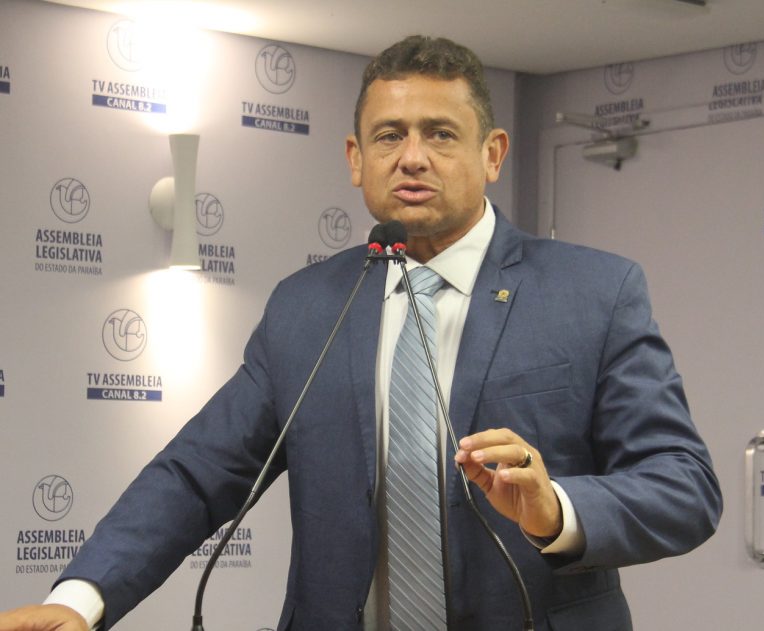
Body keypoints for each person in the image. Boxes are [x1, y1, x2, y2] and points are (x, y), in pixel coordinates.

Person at [0, 35, 721, 631]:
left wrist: (554, 507)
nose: (413, 157)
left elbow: (683, 485)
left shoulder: (594, 293)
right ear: (356, 159)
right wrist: (80, 600)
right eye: (390, 135)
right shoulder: (306, 306)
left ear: (493, 154)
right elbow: (195, 474)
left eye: (441, 134)